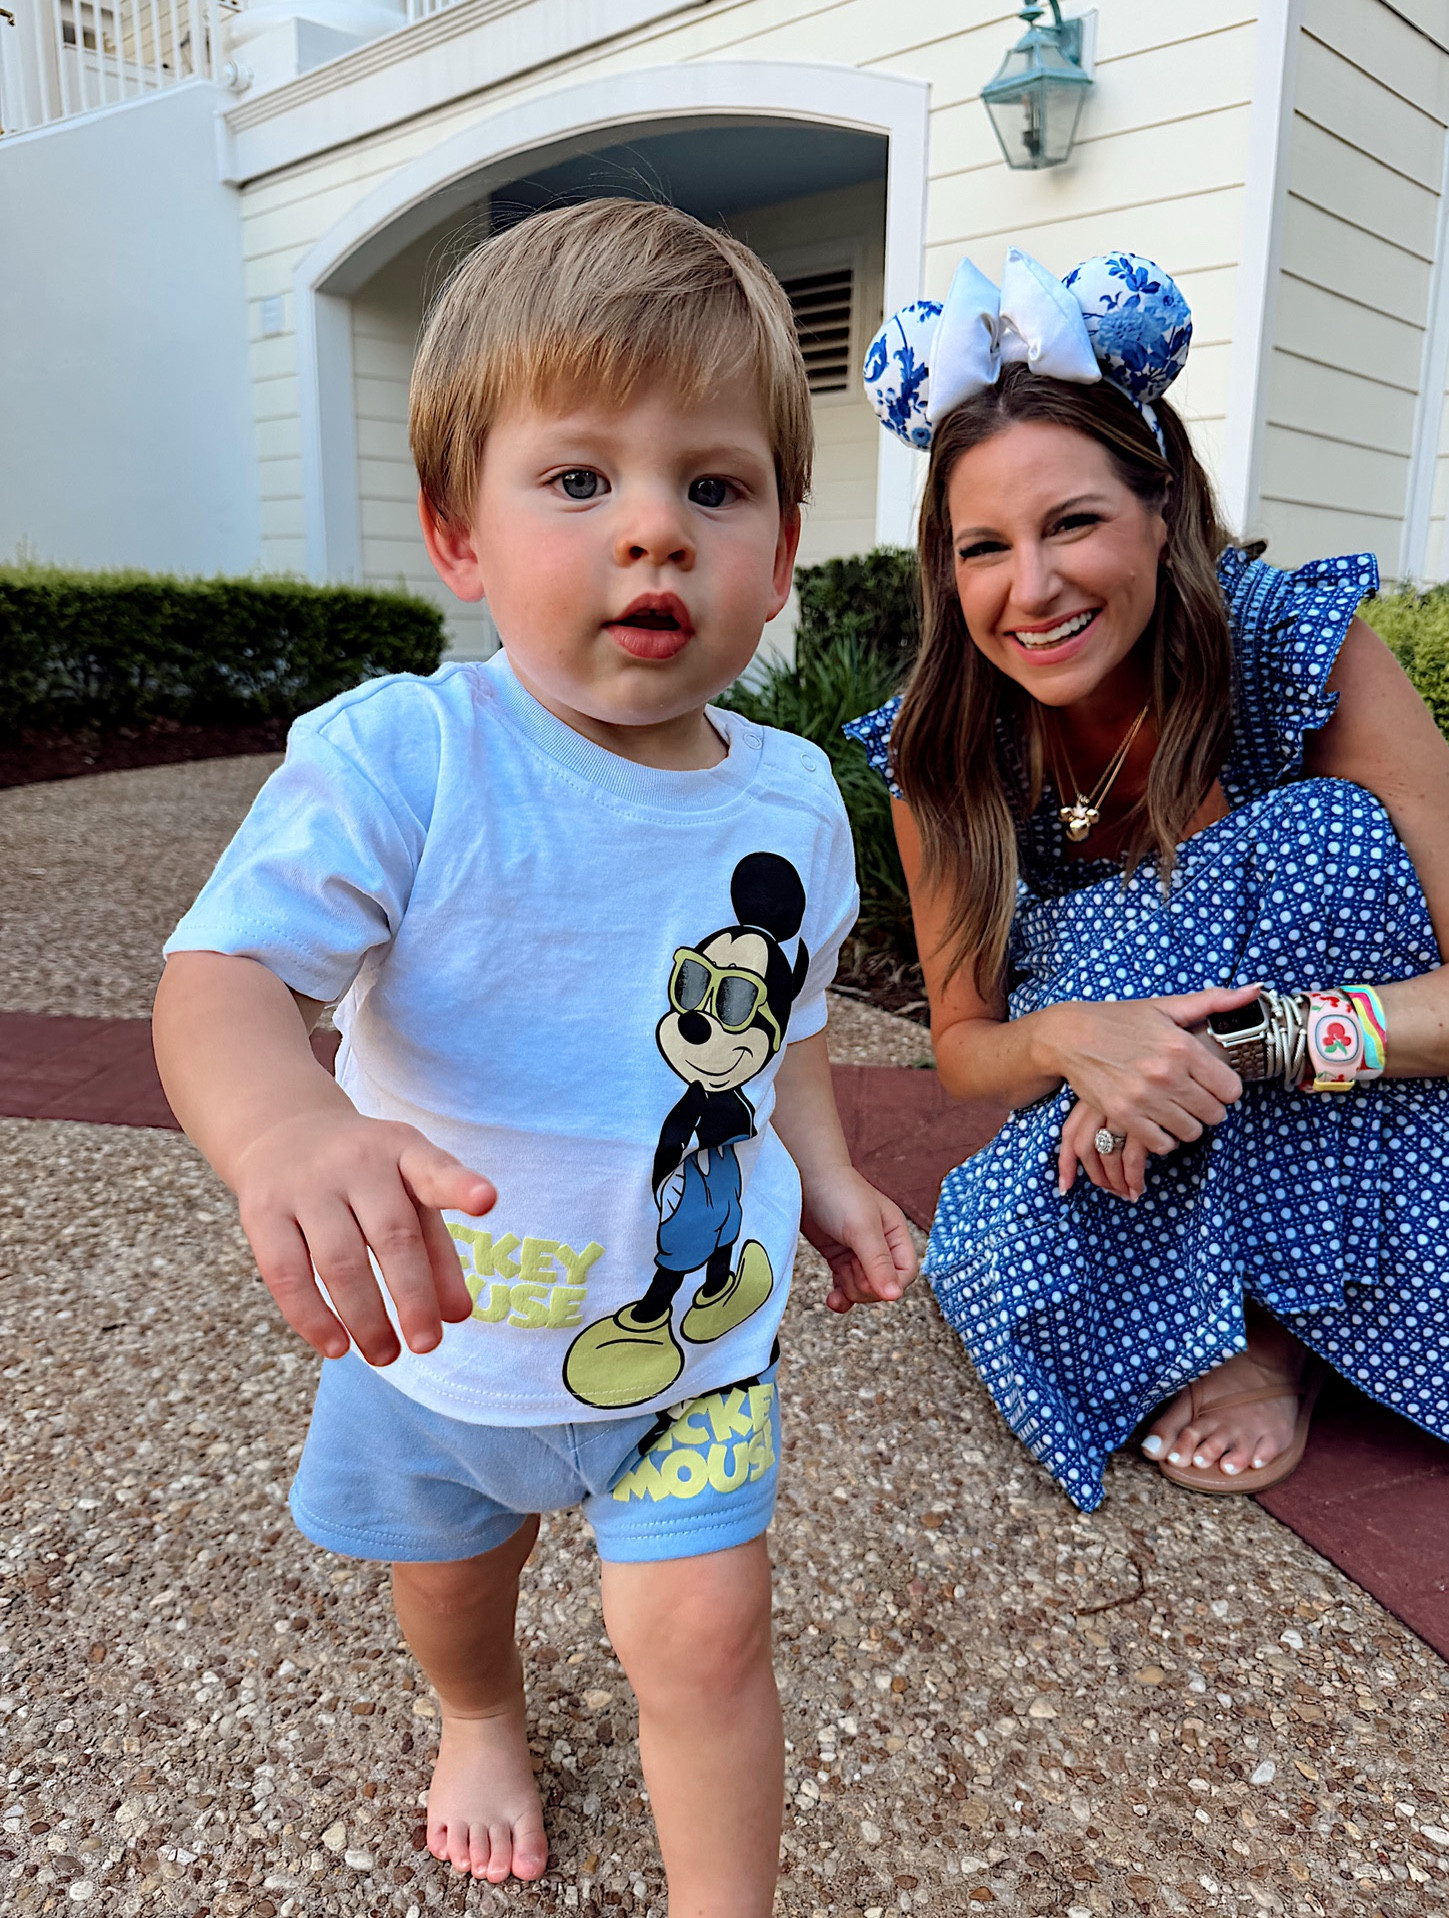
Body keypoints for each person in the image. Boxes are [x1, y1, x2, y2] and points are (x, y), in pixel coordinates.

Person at [153, 199, 916, 1911]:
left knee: (706, 1634)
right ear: (458, 533)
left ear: (783, 548)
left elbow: (779, 1029)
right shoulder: (406, 757)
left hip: (693, 1341)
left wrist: (836, 1173)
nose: (652, 530)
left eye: (710, 487)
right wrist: (286, 1128)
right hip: (445, 1335)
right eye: (578, 480)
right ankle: (479, 1714)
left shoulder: (788, 794)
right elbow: (221, 974)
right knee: (452, 1577)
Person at [849, 247, 1449, 1513]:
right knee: (1004, 1278)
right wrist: (1080, 1041)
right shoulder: (939, 744)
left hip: (1312, 1088)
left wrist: (1247, 1045)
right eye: (983, 547)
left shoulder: (1288, 644)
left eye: (1074, 522)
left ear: (1163, 512)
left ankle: (1282, 1336)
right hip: (1110, 1115)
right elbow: (963, 1046)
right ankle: (1190, 1300)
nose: (1032, 589)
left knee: (1323, 838)